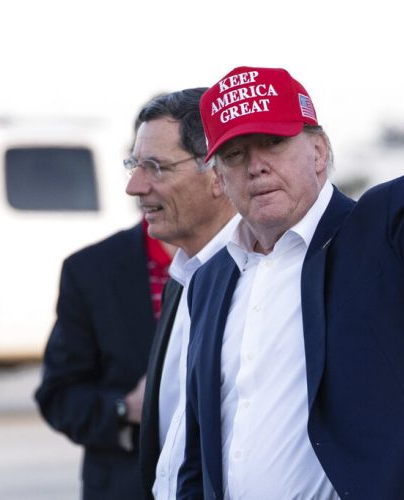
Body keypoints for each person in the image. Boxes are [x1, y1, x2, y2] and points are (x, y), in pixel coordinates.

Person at [178, 49, 404, 499]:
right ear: (219, 177)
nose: (256, 165)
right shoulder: (210, 281)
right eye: (236, 154)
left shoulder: (385, 224)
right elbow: (201, 447)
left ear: (319, 151)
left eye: (274, 143)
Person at [125, 88, 239, 500]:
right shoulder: (184, 278)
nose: (135, 187)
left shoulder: (265, 279)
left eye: (155, 167)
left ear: (217, 175)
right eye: (134, 165)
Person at [34, 217, 171, 499]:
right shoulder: (91, 269)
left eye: (162, 169)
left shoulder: (250, 255)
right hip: (125, 485)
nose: (137, 186)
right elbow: (58, 396)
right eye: (139, 169)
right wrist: (127, 408)